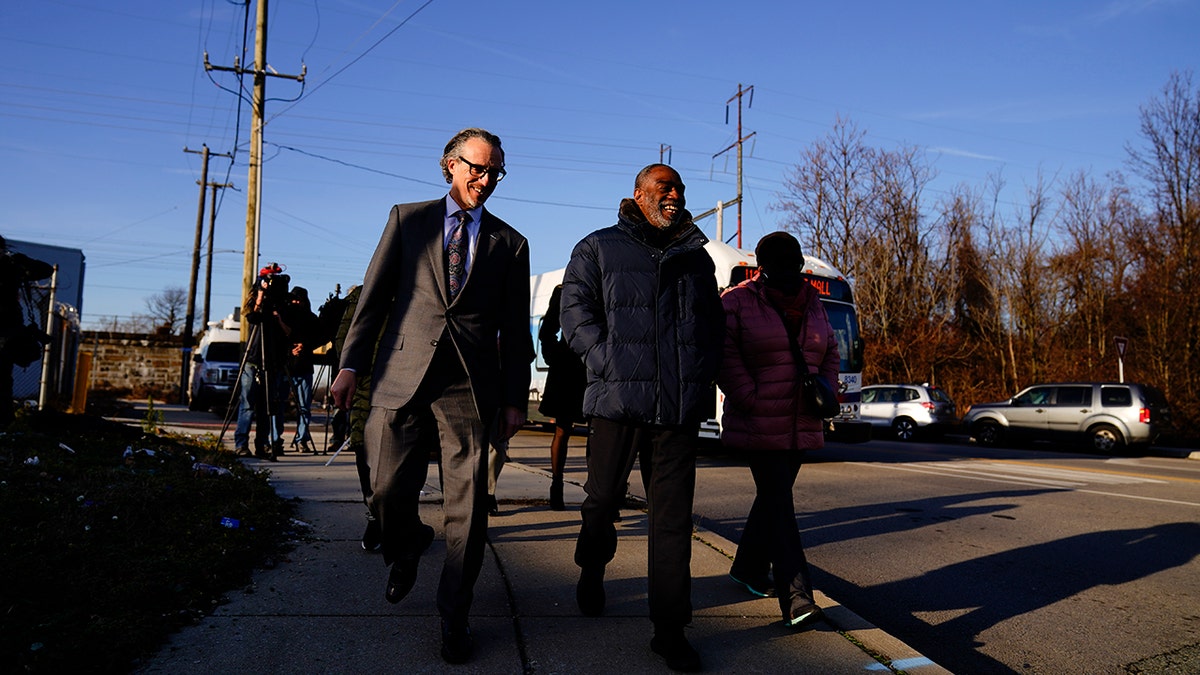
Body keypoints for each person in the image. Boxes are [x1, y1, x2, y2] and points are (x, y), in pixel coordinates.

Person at [330, 128, 533, 665]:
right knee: (384, 489)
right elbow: (372, 296)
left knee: (468, 512)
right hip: (400, 376)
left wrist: (514, 397)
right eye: (476, 168)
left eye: (494, 173)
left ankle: (455, 615)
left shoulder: (510, 244)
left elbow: (516, 329)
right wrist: (350, 364)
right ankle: (405, 544)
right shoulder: (408, 219)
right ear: (450, 164)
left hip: (470, 386)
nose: (484, 181)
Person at [560, 163, 724, 673]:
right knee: (602, 501)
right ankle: (592, 565)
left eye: (678, 188)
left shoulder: (697, 259)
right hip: (616, 403)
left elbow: (712, 327)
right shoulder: (598, 247)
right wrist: (610, 363)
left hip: (676, 412)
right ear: (638, 194)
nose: (673, 194)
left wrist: (704, 375)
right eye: (663, 187)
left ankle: (670, 629)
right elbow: (575, 314)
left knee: (672, 523)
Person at [717, 231, 839, 631]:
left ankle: (748, 569)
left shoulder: (814, 302)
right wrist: (748, 397)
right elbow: (723, 354)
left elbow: (831, 352)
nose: (790, 269)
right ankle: (798, 597)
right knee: (779, 505)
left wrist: (827, 392)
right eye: (781, 261)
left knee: (774, 499)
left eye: (794, 261)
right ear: (763, 265)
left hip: (801, 420)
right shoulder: (736, 301)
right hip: (759, 418)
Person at [234, 264, 293, 461]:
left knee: (268, 406)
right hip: (253, 361)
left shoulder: (282, 305)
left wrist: (277, 317)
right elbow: (252, 317)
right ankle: (241, 445)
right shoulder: (254, 301)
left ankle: (263, 445)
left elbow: (288, 332)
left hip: (273, 361)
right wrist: (260, 297)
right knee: (247, 405)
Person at [536, 284, 586, 510]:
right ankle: (557, 486)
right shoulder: (564, 290)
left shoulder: (605, 285)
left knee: (601, 432)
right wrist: (555, 357)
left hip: (594, 366)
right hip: (569, 367)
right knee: (563, 429)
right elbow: (547, 330)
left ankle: (601, 496)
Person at [0, 236, 53, 430]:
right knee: (3, 379)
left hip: (8, 331)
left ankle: (4, 423)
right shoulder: (10, 267)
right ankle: (4, 422)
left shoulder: (10, 267)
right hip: (9, 331)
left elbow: (44, 270)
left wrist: (19, 261)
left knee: (3, 379)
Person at [283, 286, 321, 454]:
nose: (296, 303)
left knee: (304, 408)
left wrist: (305, 345)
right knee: (278, 406)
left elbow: (319, 338)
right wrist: (289, 349)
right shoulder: (285, 316)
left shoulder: (312, 319)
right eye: (293, 299)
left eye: (299, 300)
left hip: (304, 367)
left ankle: (302, 439)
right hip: (285, 367)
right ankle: (275, 440)